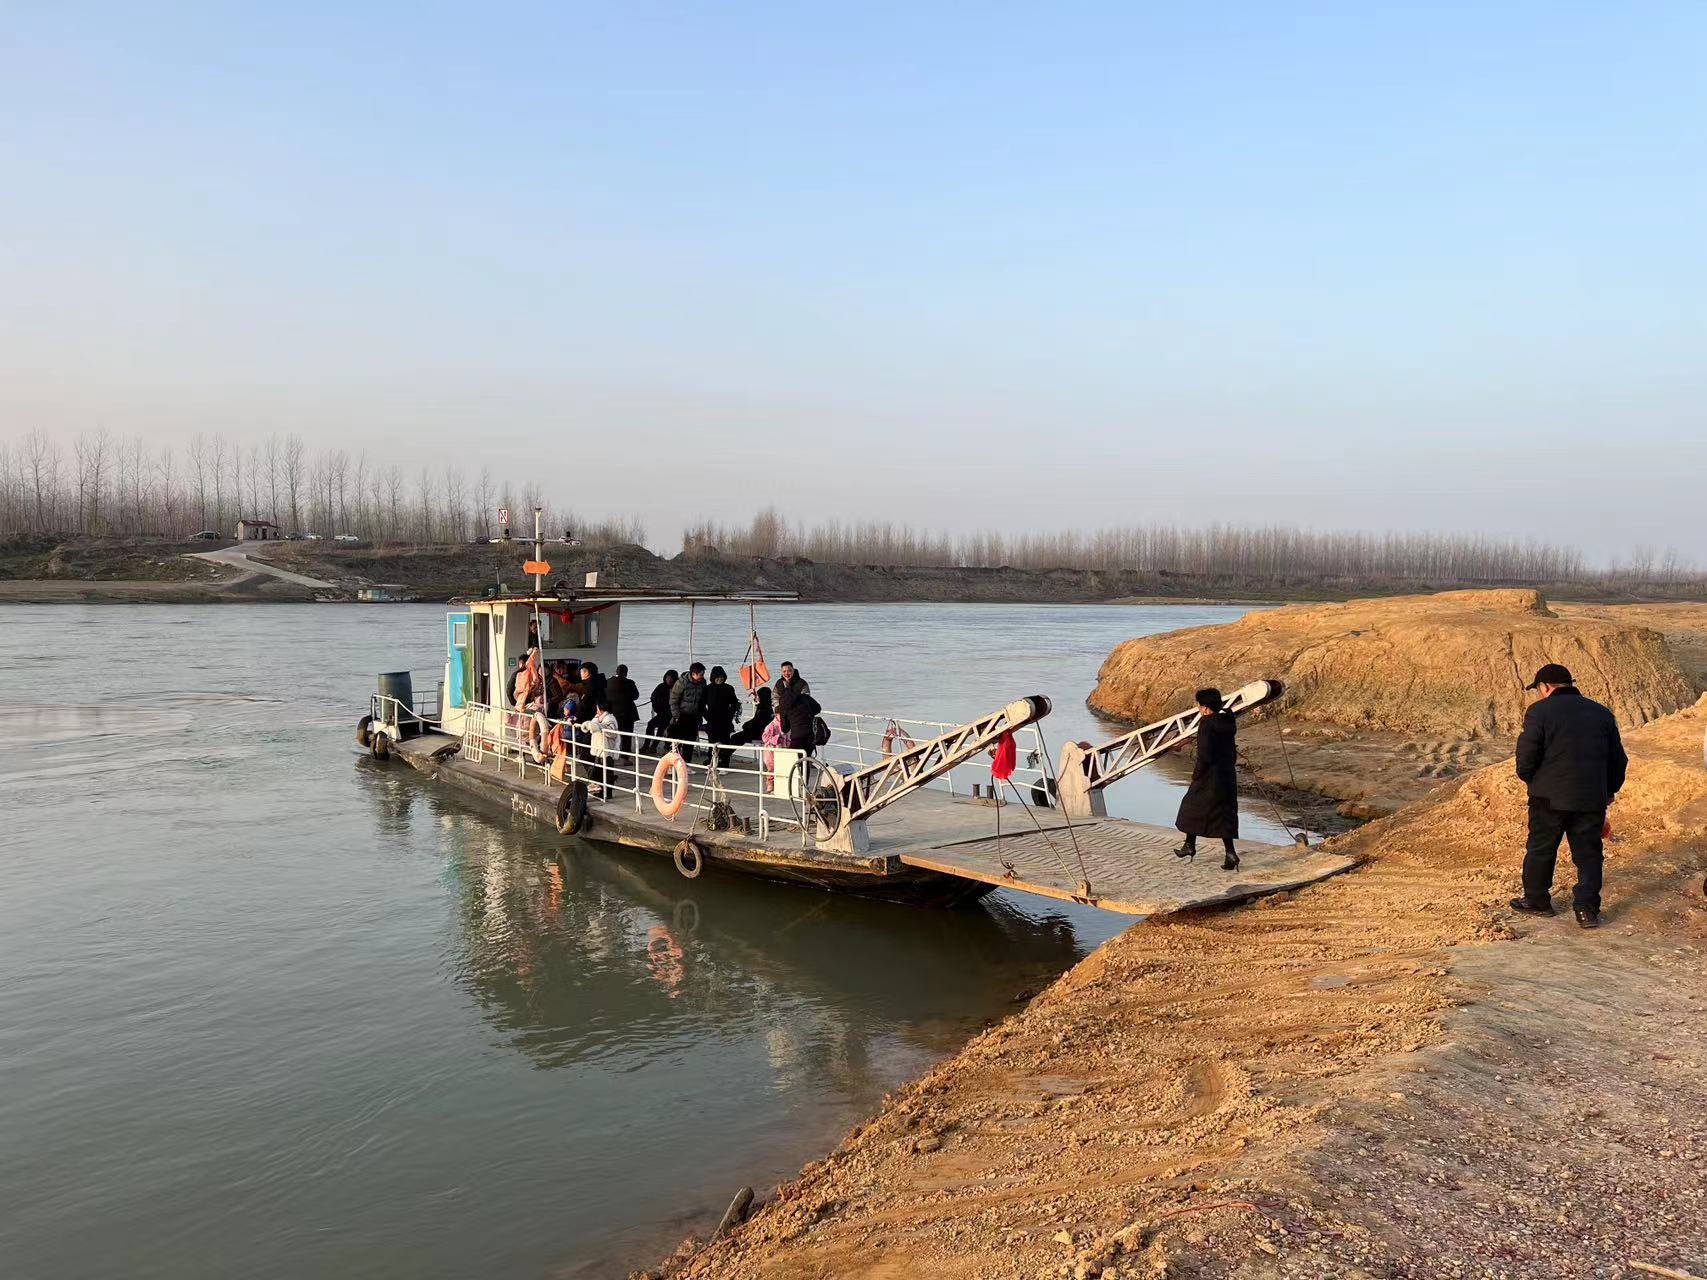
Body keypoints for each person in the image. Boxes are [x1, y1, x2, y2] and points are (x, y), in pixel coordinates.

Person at [1511, 663, 1627, 929]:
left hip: (1548, 797)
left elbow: (1526, 756)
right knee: (1589, 854)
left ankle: (1537, 901)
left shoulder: (1539, 712)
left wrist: (1534, 781)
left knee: (1541, 848)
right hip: (1590, 797)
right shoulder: (1601, 713)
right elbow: (1618, 759)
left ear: (1545, 687)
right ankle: (1587, 910)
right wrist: (1609, 791)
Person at [1172, 688, 1242, 871]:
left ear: (1204, 707)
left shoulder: (1207, 723)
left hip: (1210, 775)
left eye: (1199, 705)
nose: (1198, 708)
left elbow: (1204, 754)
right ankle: (1230, 854)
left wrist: (1197, 775)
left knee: (1191, 806)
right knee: (1224, 813)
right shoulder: (1228, 720)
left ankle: (1189, 846)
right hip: (1227, 774)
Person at [702, 666, 743, 767]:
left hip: (725, 720)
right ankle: (711, 762)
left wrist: (730, 715)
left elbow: (734, 703)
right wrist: (707, 716)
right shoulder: (707, 689)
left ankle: (724, 763)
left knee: (725, 742)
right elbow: (701, 705)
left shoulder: (729, 688)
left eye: (722, 677)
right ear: (713, 678)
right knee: (712, 742)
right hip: (712, 720)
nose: (720, 679)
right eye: (717, 677)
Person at [668, 662, 709, 762]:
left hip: (694, 716)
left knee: (690, 741)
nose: (702, 676)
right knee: (676, 741)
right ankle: (673, 763)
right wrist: (676, 715)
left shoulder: (702, 683)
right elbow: (673, 699)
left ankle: (686, 763)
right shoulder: (682, 682)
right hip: (681, 715)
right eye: (701, 674)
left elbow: (702, 701)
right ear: (694, 674)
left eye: (703, 674)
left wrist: (702, 715)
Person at [781, 683, 823, 756]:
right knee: (807, 755)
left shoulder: (784, 706)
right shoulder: (805, 697)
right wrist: (808, 713)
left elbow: (785, 728)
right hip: (811, 734)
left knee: (793, 757)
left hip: (797, 736)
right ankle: (806, 763)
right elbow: (818, 708)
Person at [607, 663, 641, 750]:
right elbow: (636, 696)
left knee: (612, 736)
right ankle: (625, 755)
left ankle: (612, 753)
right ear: (626, 673)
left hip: (613, 713)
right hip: (628, 714)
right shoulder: (629, 683)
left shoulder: (608, 682)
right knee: (627, 737)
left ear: (616, 672)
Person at [644, 670, 678, 750]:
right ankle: (646, 745)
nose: (669, 680)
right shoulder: (661, 686)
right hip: (662, 713)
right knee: (650, 725)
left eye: (671, 678)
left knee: (662, 728)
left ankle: (654, 746)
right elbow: (653, 697)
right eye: (668, 678)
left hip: (672, 715)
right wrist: (657, 707)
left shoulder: (677, 688)